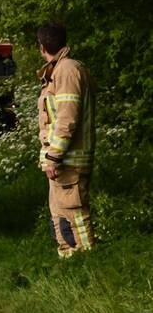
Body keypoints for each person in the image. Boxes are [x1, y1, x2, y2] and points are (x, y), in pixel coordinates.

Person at [37, 23, 95, 258]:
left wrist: (53, 156)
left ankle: (87, 261)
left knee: (74, 215)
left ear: (42, 47)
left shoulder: (67, 71)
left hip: (68, 160)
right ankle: (69, 259)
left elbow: (67, 119)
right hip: (62, 160)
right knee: (61, 213)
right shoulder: (59, 70)